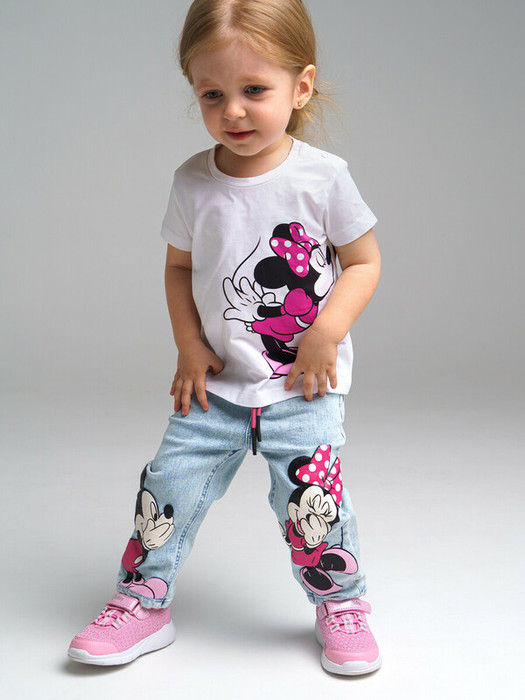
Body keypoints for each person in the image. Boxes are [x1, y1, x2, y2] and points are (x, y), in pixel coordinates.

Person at [68, 0, 382, 676]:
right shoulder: (192, 181)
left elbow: (364, 262)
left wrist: (326, 332)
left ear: (300, 87)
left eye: (254, 90)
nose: (233, 111)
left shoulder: (322, 177)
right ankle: (143, 600)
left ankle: (341, 602)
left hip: (302, 385)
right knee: (167, 484)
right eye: (212, 95)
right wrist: (188, 345)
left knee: (313, 502)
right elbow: (179, 269)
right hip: (216, 385)